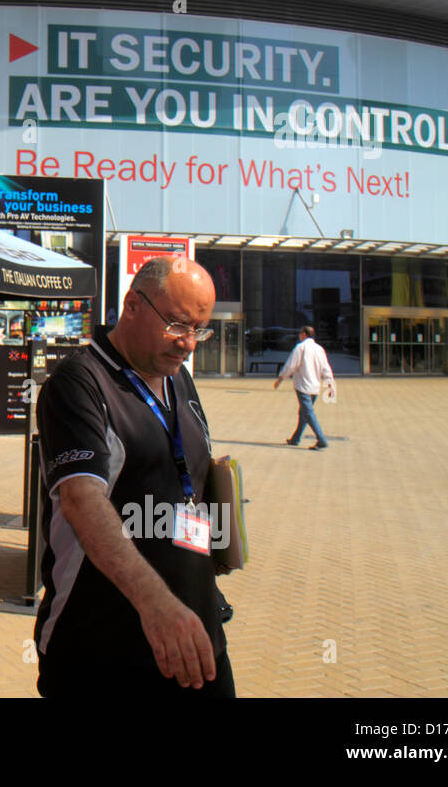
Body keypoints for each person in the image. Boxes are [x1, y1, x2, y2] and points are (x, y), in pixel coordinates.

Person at [33, 256, 235, 698]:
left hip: (195, 634)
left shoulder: (178, 377)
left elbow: (186, 480)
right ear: (132, 305)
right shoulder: (77, 384)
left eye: (200, 329)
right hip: (105, 649)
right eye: (178, 325)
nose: (189, 344)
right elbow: (82, 501)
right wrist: (158, 605)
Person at [273, 325, 336, 449]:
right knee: (304, 412)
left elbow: (291, 365)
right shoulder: (319, 349)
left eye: (300, 333)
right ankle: (296, 438)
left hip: (303, 386)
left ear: (304, 334)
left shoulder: (300, 348)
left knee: (308, 413)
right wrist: (330, 385)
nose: (299, 335)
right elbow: (326, 369)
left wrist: (280, 378)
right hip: (315, 387)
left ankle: (321, 440)